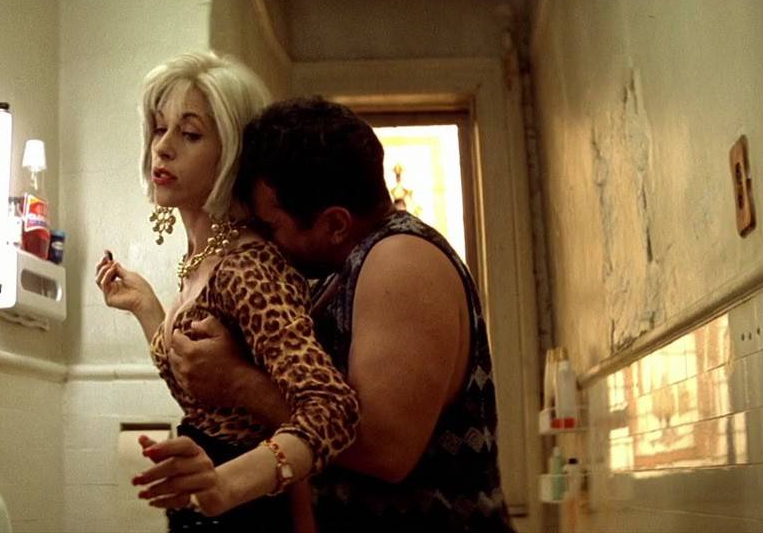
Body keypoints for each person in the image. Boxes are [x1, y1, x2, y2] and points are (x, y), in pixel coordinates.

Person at [167, 97, 515, 531]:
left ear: (334, 223)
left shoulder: (401, 260)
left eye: (274, 226)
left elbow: (384, 450)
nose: (268, 244)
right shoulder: (337, 271)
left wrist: (238, 382)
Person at [95, 55, 360, 532]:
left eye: (190, 134)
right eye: (159, 129)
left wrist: (226, 483)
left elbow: (331, 408)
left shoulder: (246, 267)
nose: (163, 148)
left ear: (232, 153)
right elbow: (206, 400)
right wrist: (146, 307)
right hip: (208, 496)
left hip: (249, 506)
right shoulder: (204, 257)